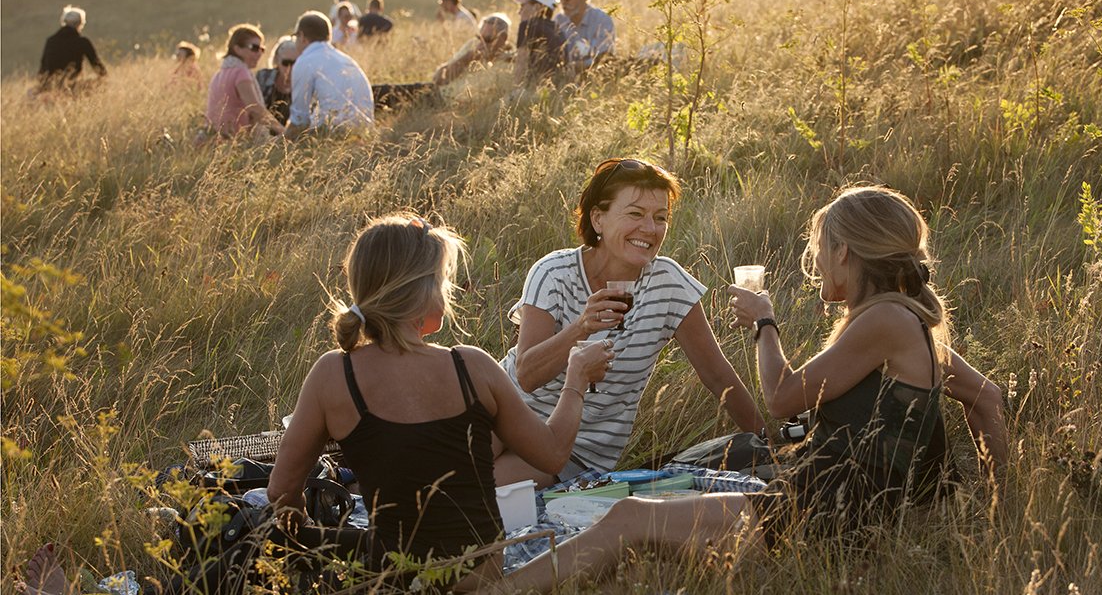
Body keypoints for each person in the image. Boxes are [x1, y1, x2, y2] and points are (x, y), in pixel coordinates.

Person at [490, 185, 1010, 593]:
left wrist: (765, 323)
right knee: (660, 515)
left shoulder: (883, 321)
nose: (816, 262)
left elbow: (782, 396)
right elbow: (987, 399)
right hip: (829, 496)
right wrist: (999, 503)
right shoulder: (910, 317)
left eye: (820, 249)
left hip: (822, 506)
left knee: (628, 518)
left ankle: (492, 593)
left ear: (846, 252)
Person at [266, 214, 613, 590]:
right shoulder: (470, 366)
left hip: (395, 577)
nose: (447, 292)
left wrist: (300, 532)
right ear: (423, 291)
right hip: (480, 578)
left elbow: (281, 489)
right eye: (443, 280)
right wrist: (576, 378)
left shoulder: (333, 374)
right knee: (628, 520)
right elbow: (553, 455)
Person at [496, 158, 764, 487]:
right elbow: (525, 375)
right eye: (635, 214)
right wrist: (581, 327)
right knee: (445, 467)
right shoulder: (553, 272)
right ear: (598, 218)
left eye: (660, 218)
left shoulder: (668, 284)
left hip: (576, 451)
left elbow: (717, 375)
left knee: (483, 488)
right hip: (507, 411)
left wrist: (770, 443)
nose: (650, 229)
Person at [284, 11, 374, 139]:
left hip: (332, 136)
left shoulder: (305, 61)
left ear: (302, 36)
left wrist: (276, 146)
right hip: (364, 135)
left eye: (295, 37)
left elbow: (299, 119)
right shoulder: (347, 60)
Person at [204, 24, 284, 138]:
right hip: (234, 142)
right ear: (237, 49)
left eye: (262, 49)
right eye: (254, 48)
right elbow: (255, 109)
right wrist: (283, 132)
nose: (259, 53)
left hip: (213, 138)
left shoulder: (219, 74)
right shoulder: (241, 73)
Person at [37, 5, 107, 93]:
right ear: (80, 23)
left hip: (50, 87)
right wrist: (103, 80)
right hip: (72, 87)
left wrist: (43, 87)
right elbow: (97, 67)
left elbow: (43, 68)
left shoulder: (51, 41)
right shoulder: (82, 42)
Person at [555, 0, 615, 72]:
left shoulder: (602, 20)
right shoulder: (558, 21)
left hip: (596, 79)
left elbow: (605, 58)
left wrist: (579, 67)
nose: (563, 3)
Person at [433, 13, 513, 86]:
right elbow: (439, 77)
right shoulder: (473, 44)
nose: (481, 44)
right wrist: (467, 59)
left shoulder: (510, 63)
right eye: (479, 38)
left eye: (487, 39)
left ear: (503, 38)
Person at [510, 0, 566, 86]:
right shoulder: (558, 30)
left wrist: (514, 90)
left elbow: (521, 63)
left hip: (532, 89)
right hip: (555, 89)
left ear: (537, 7)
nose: (519, 12)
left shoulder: (527, 26)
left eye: (523, 6)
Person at [255, 36, 298, 125]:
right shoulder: (263, 77)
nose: (290, 68)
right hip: (262, 133)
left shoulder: (304, 83)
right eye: (285, 63)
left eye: (295, 63)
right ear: (277, 61)